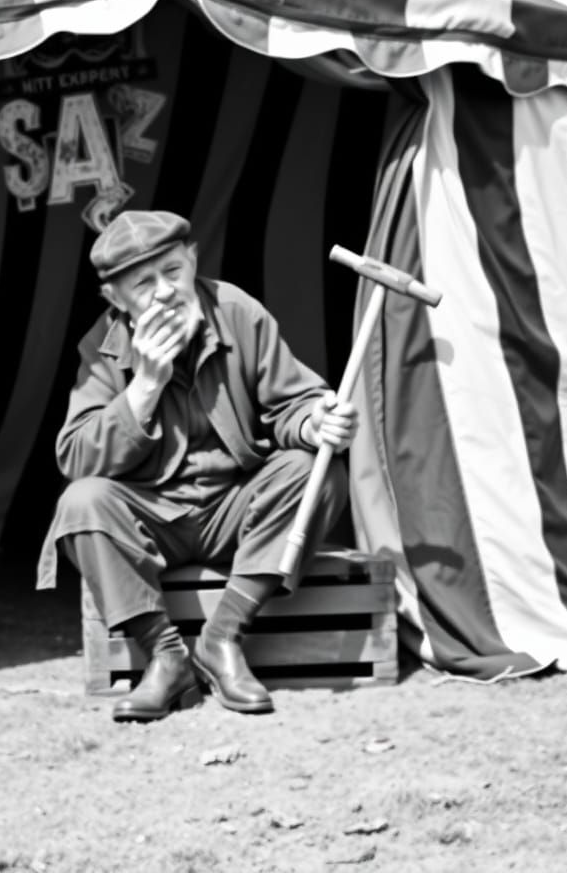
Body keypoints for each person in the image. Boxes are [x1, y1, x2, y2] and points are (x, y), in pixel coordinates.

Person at [36, 210, 358, 722]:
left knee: (310, 471)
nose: (164, 292)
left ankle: (223, 637)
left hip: (235, 508)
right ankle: (166, 658)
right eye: (143, 283)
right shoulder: (100, 347)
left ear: (192, 262)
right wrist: (143, 387)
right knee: (81, 504)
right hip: (152, 518)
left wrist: (315, 422)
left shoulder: (237, 311)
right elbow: (76, 457)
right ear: (117, 300)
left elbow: (290, 405)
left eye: (172, 272)